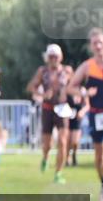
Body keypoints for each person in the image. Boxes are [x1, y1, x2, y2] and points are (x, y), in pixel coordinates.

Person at [68, 28, 103, 201]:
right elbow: (70, 88)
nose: (98, 46)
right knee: (99, 155)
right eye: (95, 43)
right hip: (96, 114)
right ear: (91, 47)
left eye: (101, 42)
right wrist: (84, 92)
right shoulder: (86, 66)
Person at [27, 43, 74, 183]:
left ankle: (58, 173)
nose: (54, 59)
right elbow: (30, 87)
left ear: (60, 57)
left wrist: (77, 96)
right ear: (47, 57)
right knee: (47, 144)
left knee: (63, 141)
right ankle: (45, 157)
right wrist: (41, 95)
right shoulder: (43, 71)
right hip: (47, 109)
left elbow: (74, 85)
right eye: (51, 56)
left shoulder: (67, 71)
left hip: (62, 108)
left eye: (56, 56)